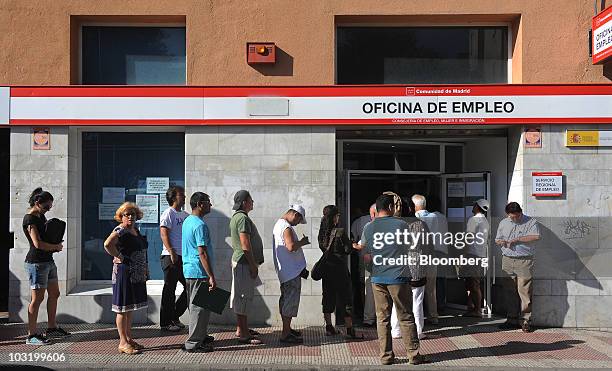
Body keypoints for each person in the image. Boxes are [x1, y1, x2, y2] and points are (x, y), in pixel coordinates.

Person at [362, 194, 427, 365]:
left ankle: (386, 356)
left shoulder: (369, 227)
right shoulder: (401, 224)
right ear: (391, 208)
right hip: (398, 276)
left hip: (377, 278)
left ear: (376, 209)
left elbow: (366, 254)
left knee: (382, 318)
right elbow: (409, 247)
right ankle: (413, 355)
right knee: (405, 315)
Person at [22, 188, 69, 345]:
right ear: (37, 203)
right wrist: (55, 247)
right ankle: (31, 335)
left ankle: (51, 327)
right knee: (37, 299)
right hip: (36, 263)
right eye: (46, 206)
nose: (48, 209)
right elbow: (37, 243)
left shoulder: (40, 216)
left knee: (54, 293)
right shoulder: (30, 220)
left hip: (48, 261)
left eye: (50, 207)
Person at [104, 202, 149, 354]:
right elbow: (108, 244)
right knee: (122, 308)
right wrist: (119, 256)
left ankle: (129, 339)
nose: (130, 217)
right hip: (124, 273)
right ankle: (122, 342)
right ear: (121, 217)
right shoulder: (121, 230)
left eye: (133, 214)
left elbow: (142, 250)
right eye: (127, 214)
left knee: (130, 307)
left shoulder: (135, 229)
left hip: (136, 274)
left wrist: (145, 269)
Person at [495, 201, 540, 333]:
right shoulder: (504, 223)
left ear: (521, 212)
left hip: (524, 260)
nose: (514, 219)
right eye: (511, 217)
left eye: (516, 216)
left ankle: (526, 320)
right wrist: (501, 242)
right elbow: (497, 239)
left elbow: (536, 236)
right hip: (507, 259)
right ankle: (511, 318)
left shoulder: (531, 222)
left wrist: (517, 239)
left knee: (524, 291)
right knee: (509, 290)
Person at [391, 198, 431, 341]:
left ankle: (395, 330)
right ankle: (418, 331)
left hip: (400, 267)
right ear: (413, 209)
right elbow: (428, 246)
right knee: (417, 300)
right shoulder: (421, 224)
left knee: (398, 300)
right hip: (417, 267)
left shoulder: (397, 225)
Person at [181, 192, 216, 352]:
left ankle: (201, 335)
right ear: (200, 204)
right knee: (199, 308)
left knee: (201, 306)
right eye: (208, 202)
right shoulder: (200, 225)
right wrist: (211, 276)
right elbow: (202, 252)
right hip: (199, 271)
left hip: (190, 270)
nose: (211, 205)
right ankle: (193, 343)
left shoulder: (188, 221)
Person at [318, 205, 360, 338]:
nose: (339, 218)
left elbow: (323, 248)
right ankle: (349, 330)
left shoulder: (321, 233)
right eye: (338, 215)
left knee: (328, 298)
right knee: (346, 299)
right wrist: (352, 244)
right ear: (334, 217)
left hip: (327, 270)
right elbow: (348, 250)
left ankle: (329, 327)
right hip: (340, 270)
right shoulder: (340, 232)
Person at [229, 190, 264, 345]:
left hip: (241, 262)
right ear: (244, 202)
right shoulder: (242, 218)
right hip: (243, 263)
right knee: (243, 298)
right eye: (251, 199)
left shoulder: (237, 217)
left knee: (240, 297)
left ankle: (241, 329)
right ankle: (243, 334)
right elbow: (245, 244)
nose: (253, 202)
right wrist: (252, 264)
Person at [272, 204, 310, 344]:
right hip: (291, 272)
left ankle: (287, 329)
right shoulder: (286, 227)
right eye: (299, 220)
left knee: (285, 300)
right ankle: (285, 334)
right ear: (295, 215)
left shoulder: (279, 224)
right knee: (289, 302)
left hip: (286, 271)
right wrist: (302, 242)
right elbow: (291, 246)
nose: (298, 223)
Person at [412, 194, 448, 325]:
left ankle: (418, 316)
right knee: (431, 288)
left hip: (419, 257)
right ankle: (433, 315)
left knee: (416, 289)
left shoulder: (415, 218)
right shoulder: (438, 217)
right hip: (434, 255)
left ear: (415, 206)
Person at [159, 185, 189, 332]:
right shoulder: (168, 213)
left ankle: (175, 315)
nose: (184, 197)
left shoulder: (185, 215)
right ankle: (165, 322)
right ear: (173, 197)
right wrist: (171, 251)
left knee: (189, 287)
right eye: (181, 195)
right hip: (170, 257)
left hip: (184, 257)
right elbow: (163, 233)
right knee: (169, 290)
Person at [460, 199, 490, 318]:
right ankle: (471, 307)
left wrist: (462, 252)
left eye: (474, 204)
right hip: (480, 253)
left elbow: (469, 236)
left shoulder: (474, 220)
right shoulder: (485, 221)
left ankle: (477, 309)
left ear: (478, 207)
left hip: (472, 254)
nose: (473, 206)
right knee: (472, 282)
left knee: (473, 283)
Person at [351, 203, 377, 326]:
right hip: (389, 263)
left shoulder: (368, 226)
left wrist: (352, 245)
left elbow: (361, 244)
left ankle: (368, 319)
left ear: (372, 214)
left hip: (370, 261)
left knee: (369, 290)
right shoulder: (394, 225)